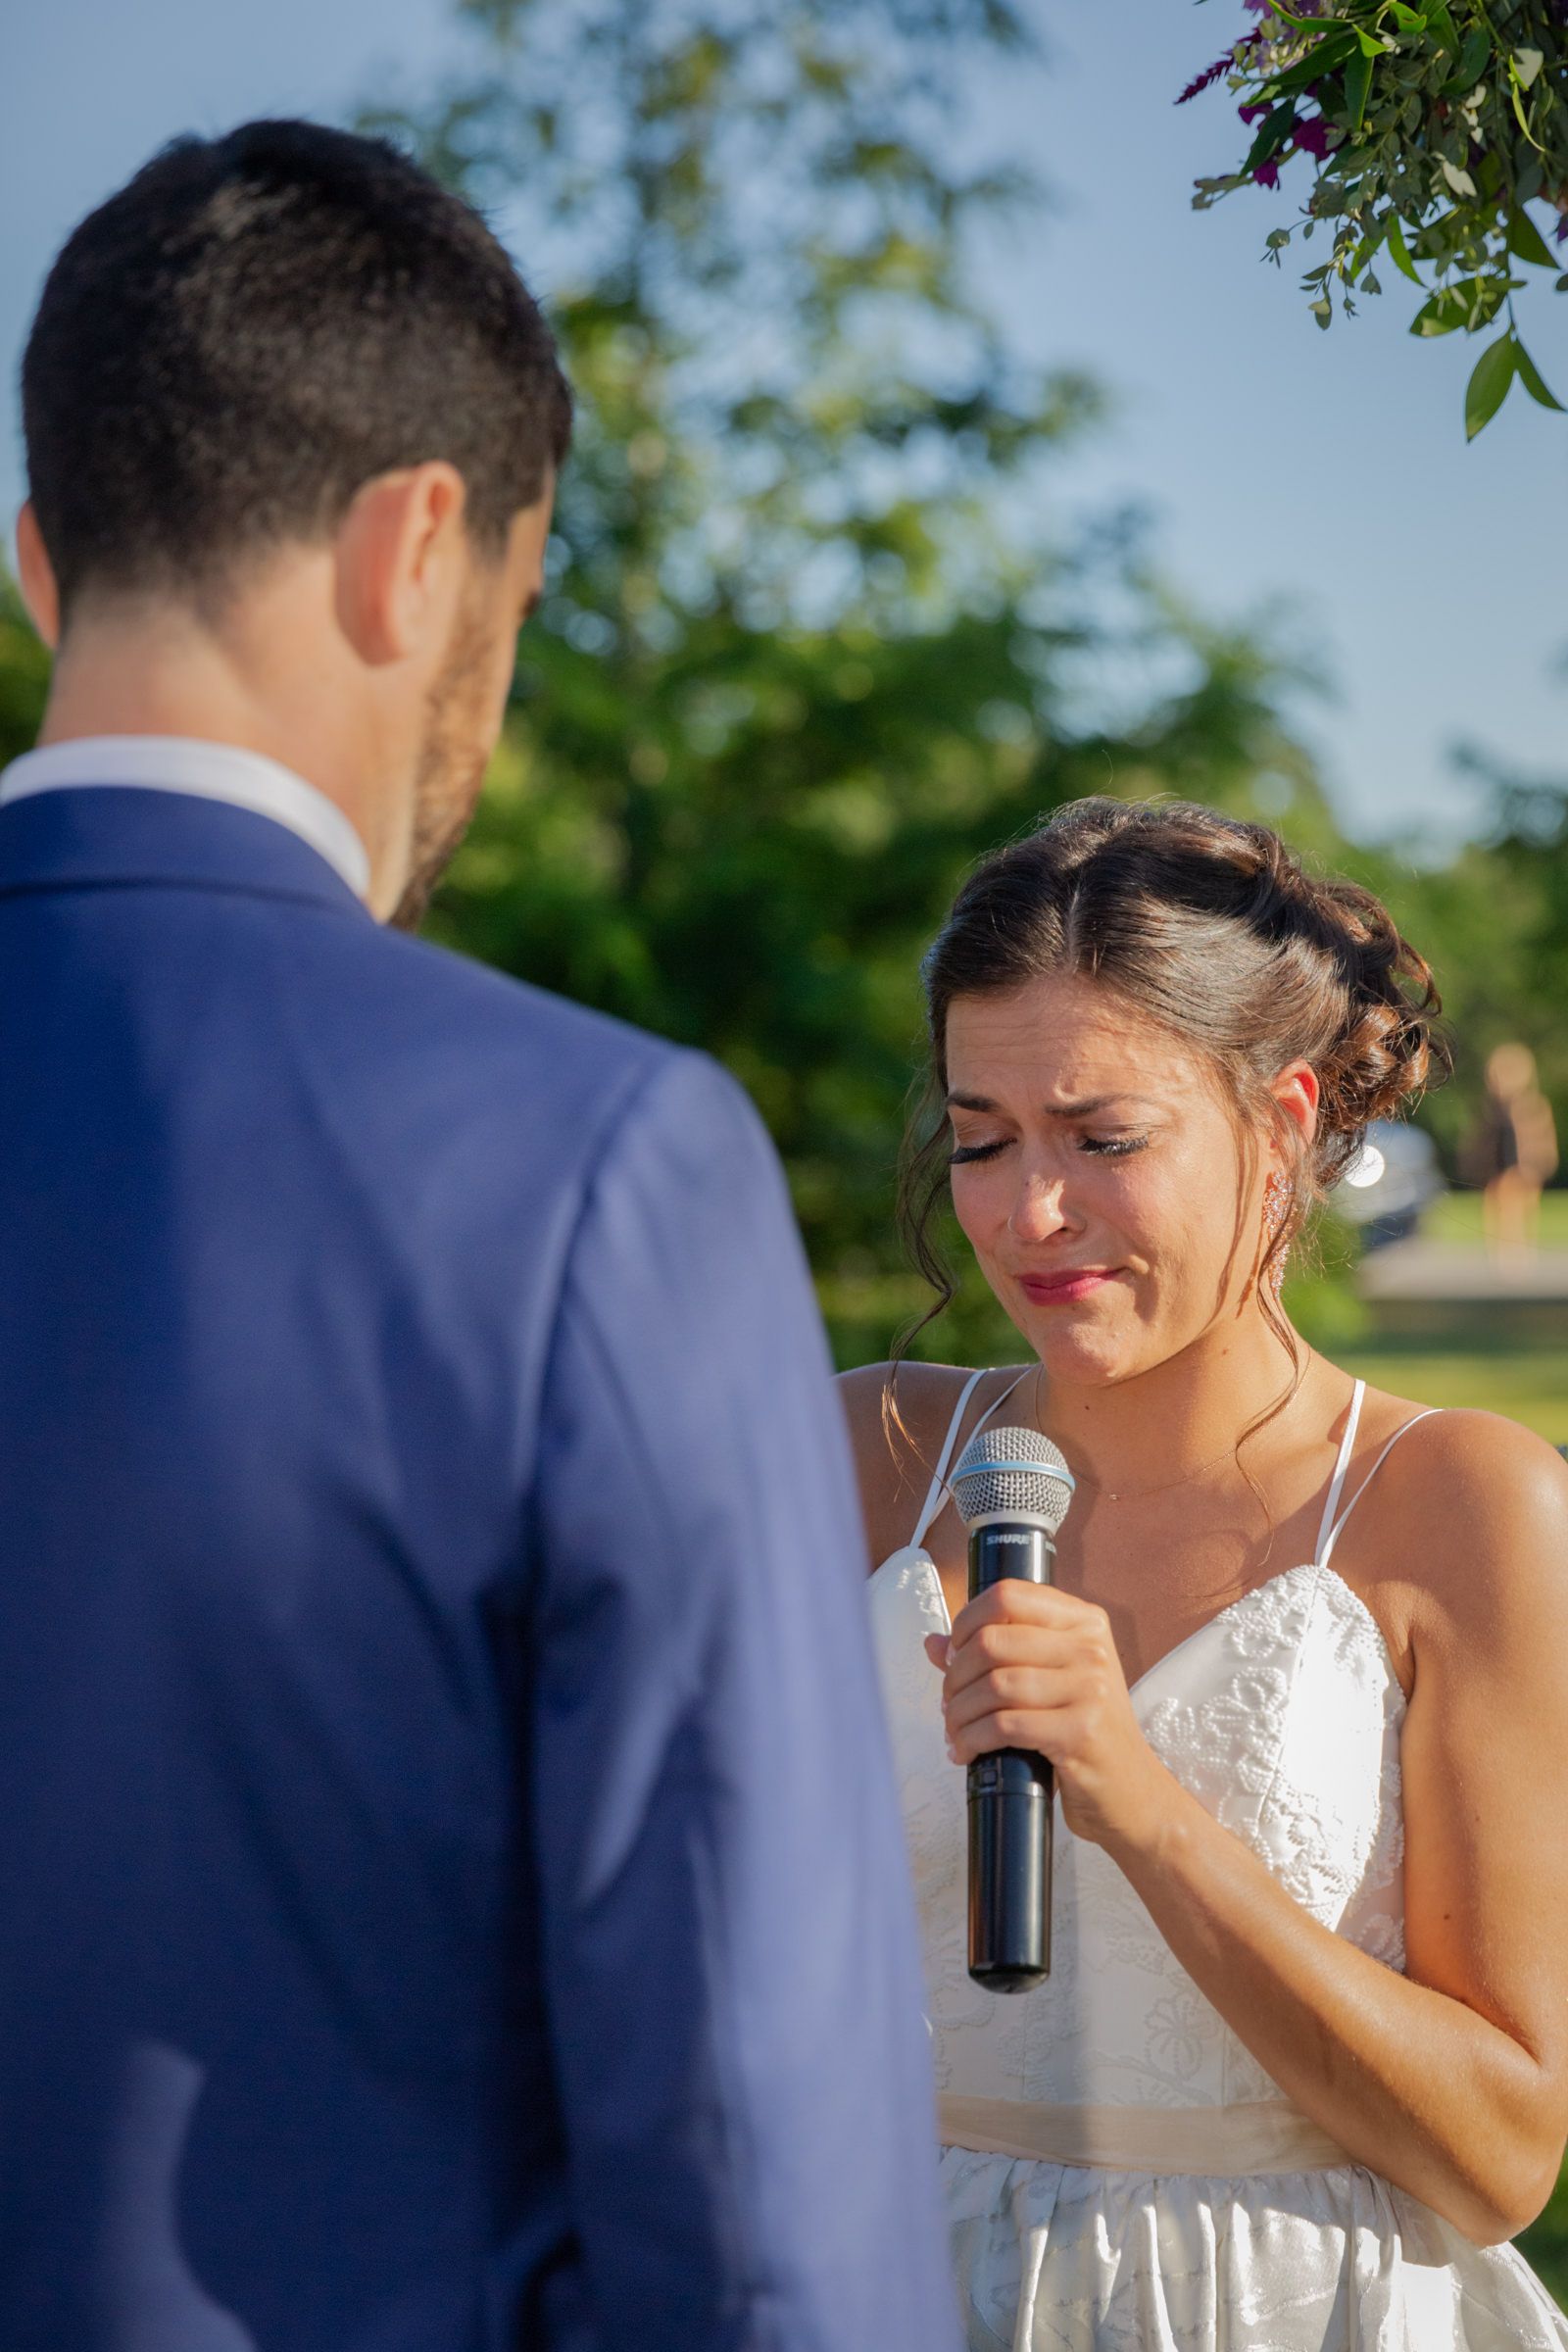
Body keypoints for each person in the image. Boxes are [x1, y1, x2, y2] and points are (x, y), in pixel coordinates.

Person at [0, 122, 956, 2352]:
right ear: (422, 553)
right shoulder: (596, 1166)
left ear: (42, 567)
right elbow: (763, 2204)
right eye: (516, 624)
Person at [842, 798, 1568, 2350]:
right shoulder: (870, 1451)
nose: (1029, 1213)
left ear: (1283, 1123)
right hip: (890, 2288)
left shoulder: (1461, 1505)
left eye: (1103, 1139)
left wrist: (1144, 1804)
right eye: (982, 1140)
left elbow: (1502, 2157)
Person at [1468, 1040, 1559, 1259]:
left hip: (1525, 1167)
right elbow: (1479, 1142)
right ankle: (1501, 1251)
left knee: (1521, 1207)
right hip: (1496, 1167)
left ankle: (1520, 1248)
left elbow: (1543, 1141)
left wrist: (1538, 1164)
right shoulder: (1489, 1109)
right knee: (1498, 1207)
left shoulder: (1533, 1106)